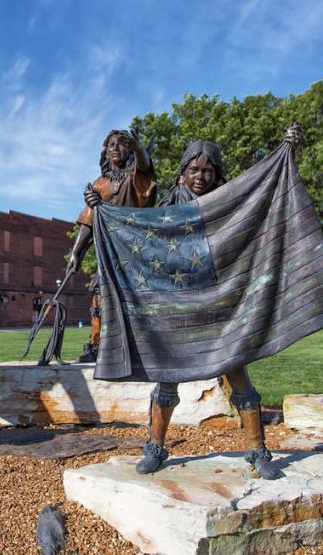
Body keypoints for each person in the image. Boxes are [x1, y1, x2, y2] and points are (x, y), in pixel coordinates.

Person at [134, 130, 300, 479]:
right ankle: (155, 447)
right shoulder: (168, 207)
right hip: (178, 301)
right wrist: (100, 209)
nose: (200, 176)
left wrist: (286, 151)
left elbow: (264, 195)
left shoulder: (230, 201)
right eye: (194, 169)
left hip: (223, 300)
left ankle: (257, 449)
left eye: (208, 171)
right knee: (167, 378)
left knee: (237, 373)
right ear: (182, 173)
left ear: (218, 175)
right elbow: (143, 235)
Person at [62, 130, 157, 363]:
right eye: (111, 145)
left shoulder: (137, 176)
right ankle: (97, 347)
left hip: (134, 253)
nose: (115, 148)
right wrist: (76, 253)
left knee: (134, 303)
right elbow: (88, 221)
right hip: (107, 255)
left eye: (122, 145)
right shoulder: (100, 184)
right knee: (98, 299)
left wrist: (138, 149)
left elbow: (144, 167)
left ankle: (139, 351)